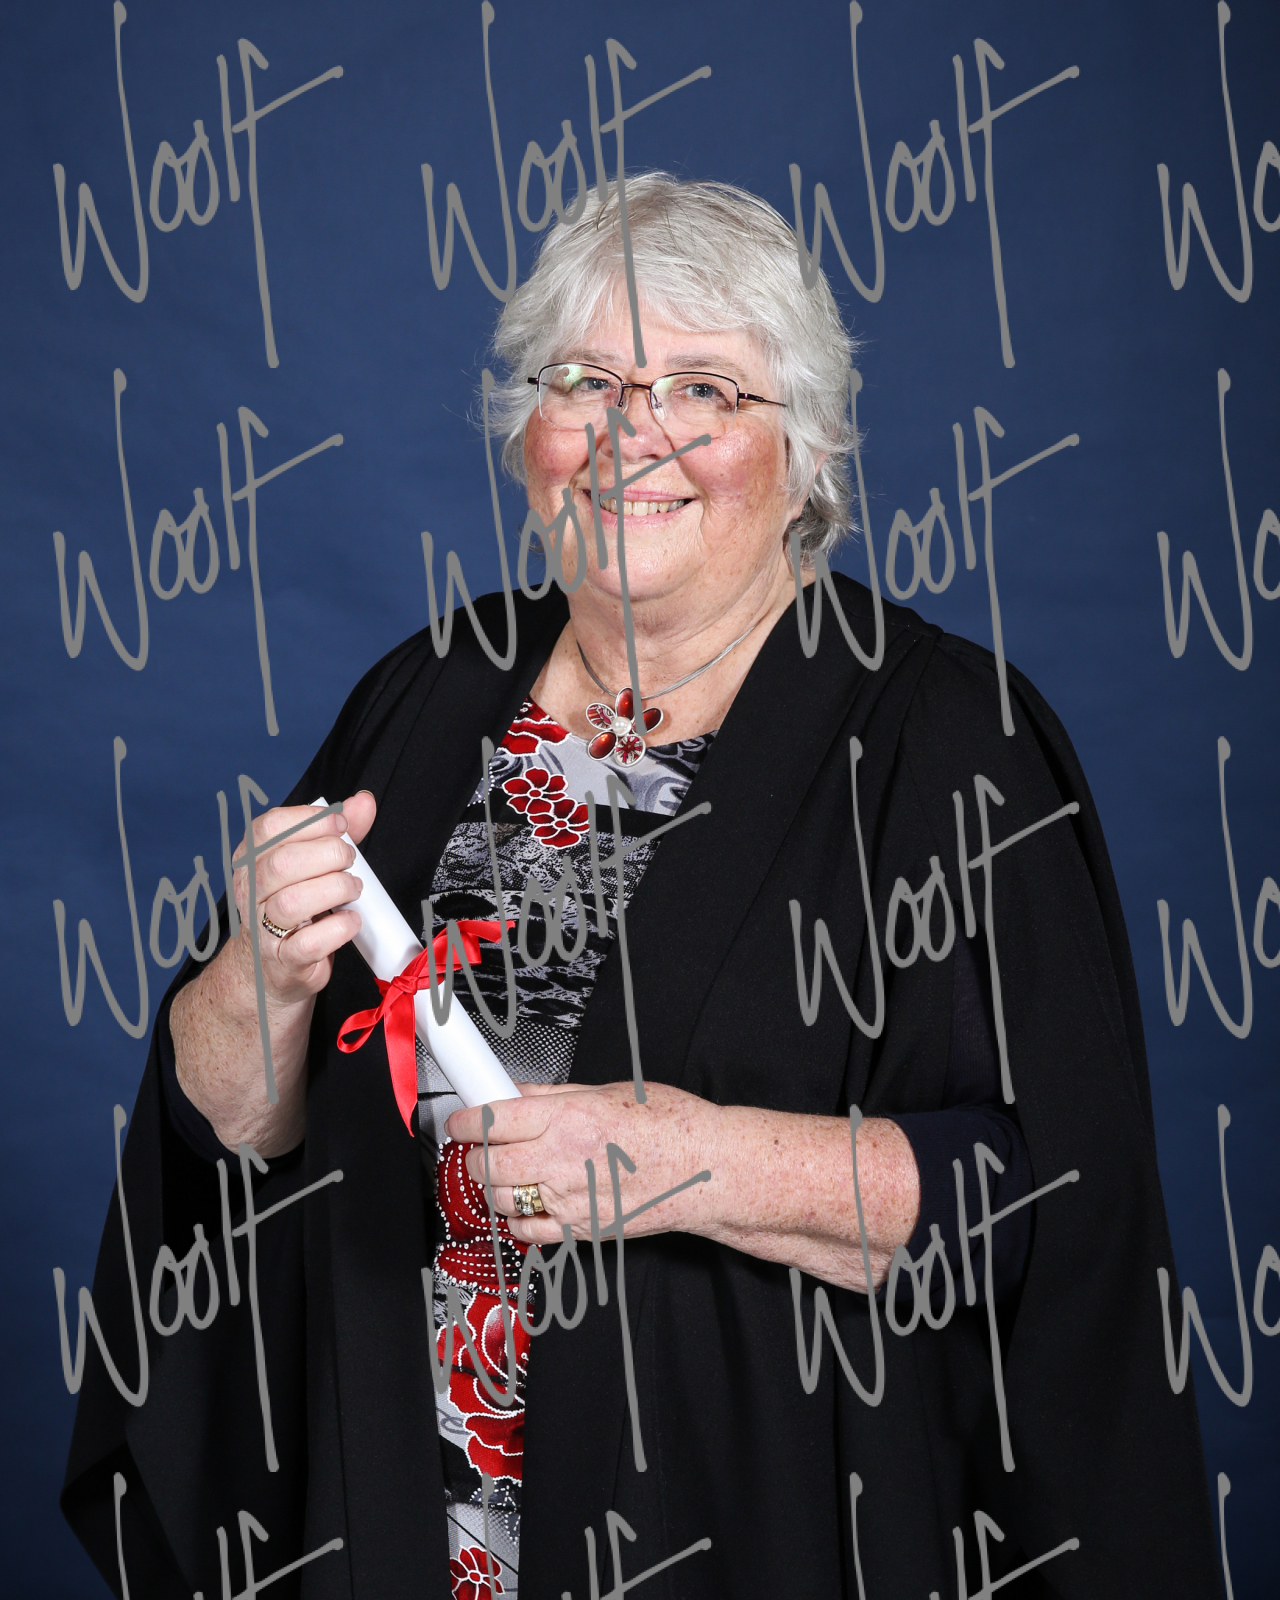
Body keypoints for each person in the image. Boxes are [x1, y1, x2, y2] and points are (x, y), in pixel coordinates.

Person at [63, 175, 1219, 1599]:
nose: (631, 434)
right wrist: (256, 977)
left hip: (754, 1527)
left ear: (805, 449)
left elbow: (1048, 1198)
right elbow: (227, 1134)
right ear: (526, 431)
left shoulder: (947, 740)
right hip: (404, 1526)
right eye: (585, 382)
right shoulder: (426, 701)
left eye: (703, 389)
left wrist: (692, 1157)